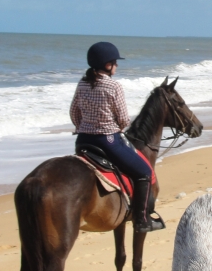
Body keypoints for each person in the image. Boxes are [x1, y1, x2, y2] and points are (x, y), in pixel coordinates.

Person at [70, 41, 165, 233]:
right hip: (108, 141)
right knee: (144, 173)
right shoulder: (114, 86)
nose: (117, 66)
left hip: (83, 141)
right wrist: (115, 128)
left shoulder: (82, 84)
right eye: (115, 62)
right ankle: (143, 220)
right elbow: (123, 119)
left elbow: (74, 112)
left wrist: (83, 126)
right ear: (107, 64)